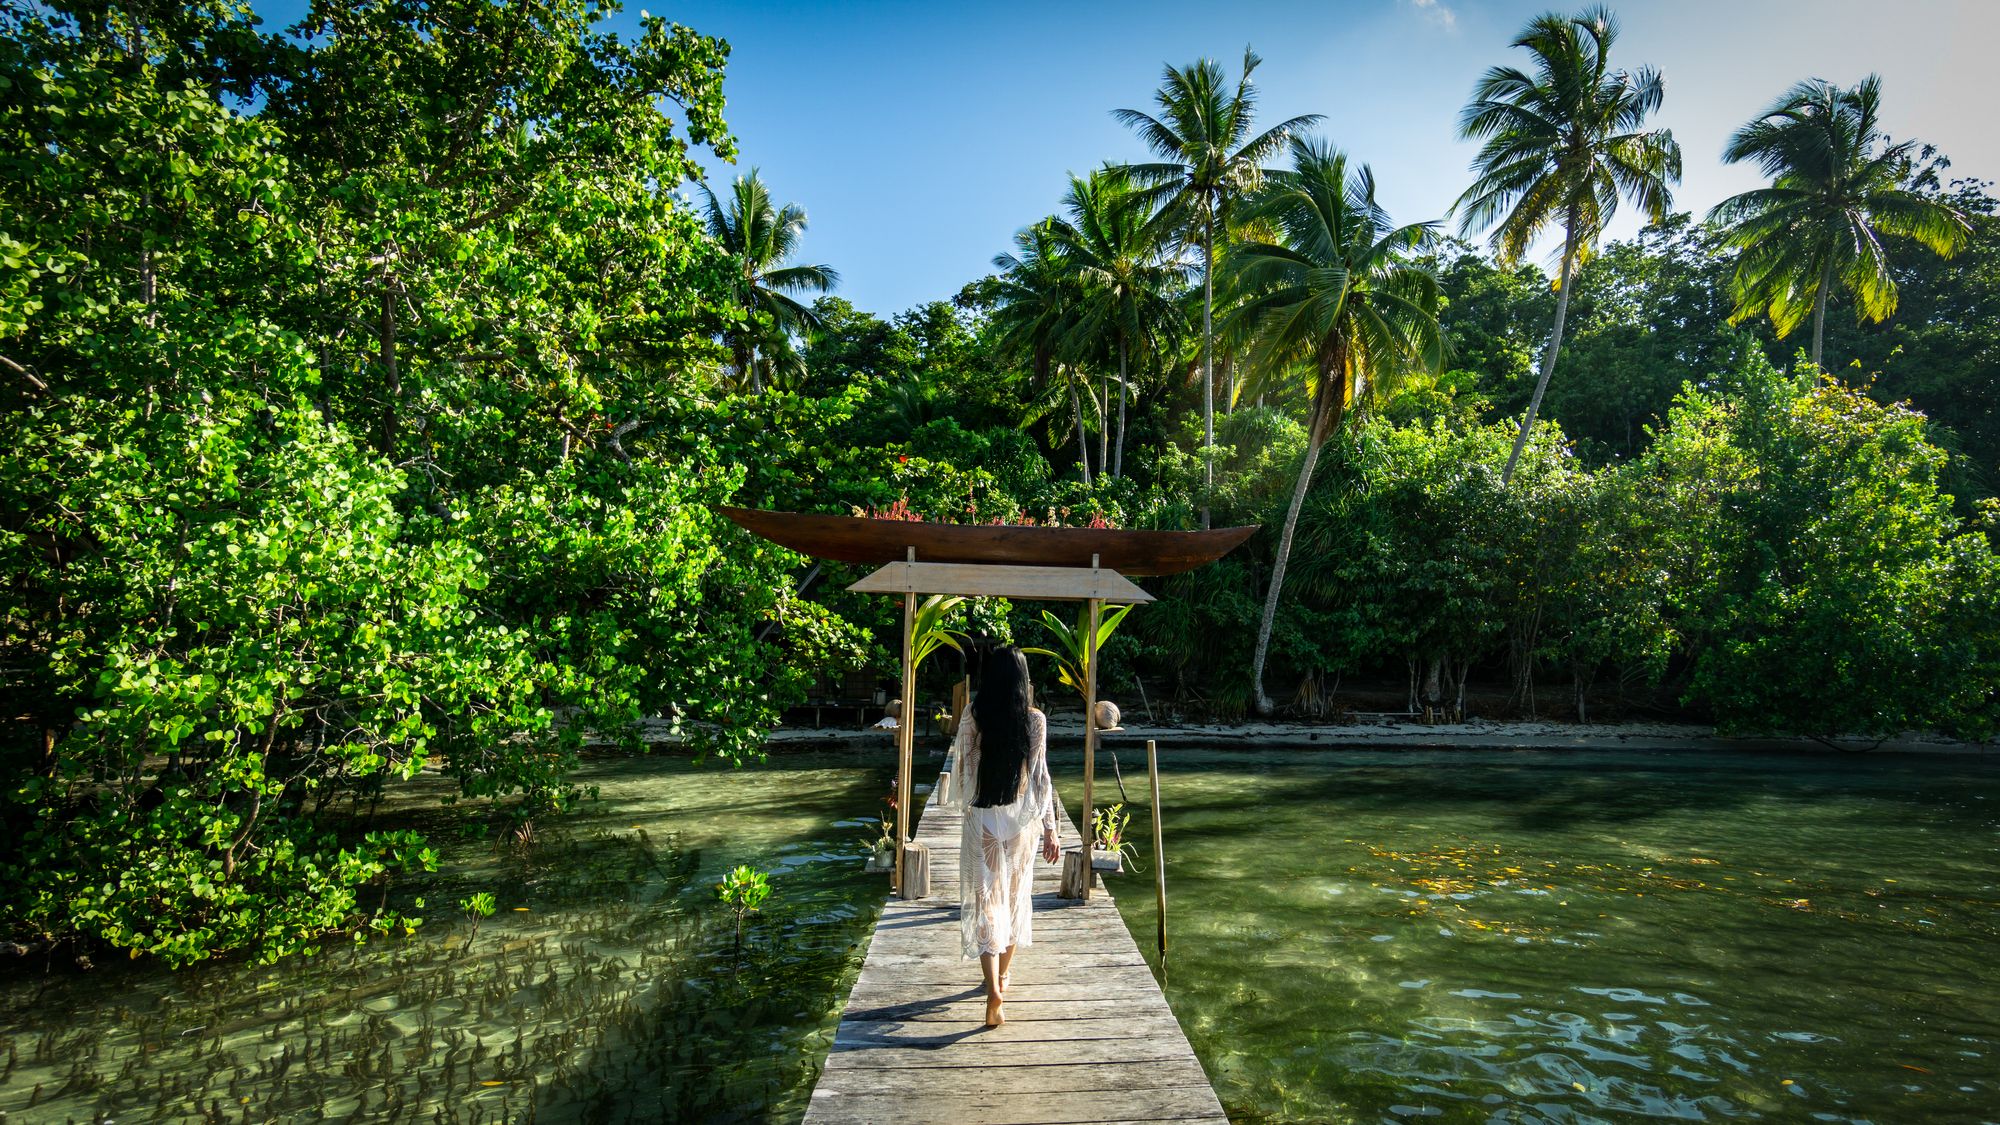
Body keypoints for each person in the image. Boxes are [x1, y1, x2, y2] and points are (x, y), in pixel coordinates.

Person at [940, 645, 1060, 1028]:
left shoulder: (975, 714)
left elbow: (962, 764)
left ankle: (992, 989)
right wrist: (1051, 829)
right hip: (1019, 821)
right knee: (1014, 898)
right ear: (1024, 680)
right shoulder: (1034, 720)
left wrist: (969, 797)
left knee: (985, 902)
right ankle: (1004, 979)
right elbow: (1040, 777)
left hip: (983, 820)